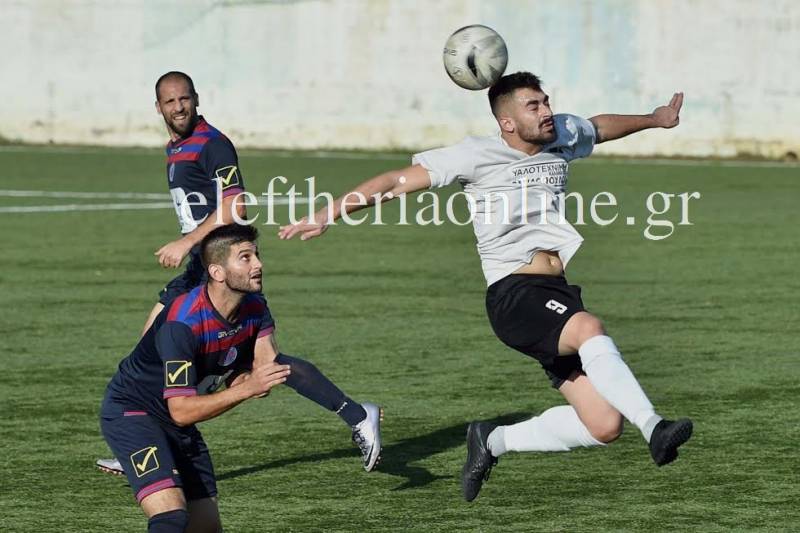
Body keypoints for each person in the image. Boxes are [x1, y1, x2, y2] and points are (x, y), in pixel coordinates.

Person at [278, 72, 693, 502]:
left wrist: (654, 119)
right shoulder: (475, 154)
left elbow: (599, 127)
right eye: (533, 106)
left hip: (556, 293)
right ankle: (654, 427)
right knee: (588, 328)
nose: (547, 112)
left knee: (604, 424)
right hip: (515, 296)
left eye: (546, 101)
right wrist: (328, 213)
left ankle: (491, 440)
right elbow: (395, 181)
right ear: (507, 122)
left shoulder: (560, 133)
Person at [97, 72, 382, 476]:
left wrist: (188, 241)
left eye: (184, 99)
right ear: (158, 107)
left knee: (264, 363)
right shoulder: (176, 147)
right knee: (150, 350)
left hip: (221, 266)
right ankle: (142, 439)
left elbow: (236, 206)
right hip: (201, 266)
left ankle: (358, 415)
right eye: (170, 101)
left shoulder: (212, 144)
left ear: (196, 99)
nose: (179, 107)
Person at [100, 224, 381, 532]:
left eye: (257, 255)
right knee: (171, 517)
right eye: (245, 258)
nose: (258, 264)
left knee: (206, 527)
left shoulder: (255, 306)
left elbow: (267, 365)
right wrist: (247, 388)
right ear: (217, 272)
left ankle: (358, 415)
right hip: (134, 414)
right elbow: (181, 411)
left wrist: (248, 379)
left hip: (178, 424)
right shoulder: (182, 323)